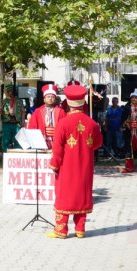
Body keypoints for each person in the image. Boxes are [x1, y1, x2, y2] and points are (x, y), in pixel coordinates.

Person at [47, 84, 103, 239]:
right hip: (85, 166)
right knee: (82, 195)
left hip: (66, 167)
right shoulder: (91, 123)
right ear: (83, 102)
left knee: (64, 195)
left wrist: (54, 164)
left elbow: (57, 148)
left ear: (68, 102)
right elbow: (98, 143)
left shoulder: (63, 123)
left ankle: (61, 230)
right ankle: (80, 229)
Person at [27, 84, 66, 149]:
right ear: (44, 99)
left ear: (55, 99)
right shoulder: (37, 112)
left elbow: (65, 128)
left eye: (52, 97)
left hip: (57, 142)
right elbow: (32, 128)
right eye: (48, 97)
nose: (50, 99)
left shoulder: (61, 112)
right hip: (41, 143)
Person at [0, 84, 25, 152]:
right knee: (5, 140)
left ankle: (17, 155)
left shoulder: (19, 101)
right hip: (6, 123)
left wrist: (23, 122)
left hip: (16, 123)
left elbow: (23, 112)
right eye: (7, 91)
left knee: (17, 140)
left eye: (9, 91)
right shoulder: (4, 101)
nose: (8, 93)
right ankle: (5, 155)